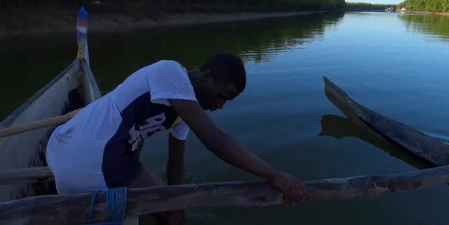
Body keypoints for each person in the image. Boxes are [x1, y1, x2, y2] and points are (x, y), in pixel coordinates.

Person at [46, 53, 307, 224]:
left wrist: (178, 206)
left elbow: (176, 166)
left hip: (63, 147)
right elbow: (216, 141)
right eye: (221, 96)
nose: (220, 106)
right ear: (205, 78)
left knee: (172, 213)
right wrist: (274, 175)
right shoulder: (170, 72)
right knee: (168, 212)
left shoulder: (182, 111)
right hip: (93, 159)